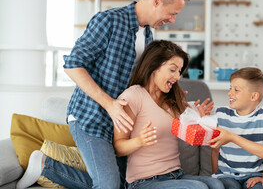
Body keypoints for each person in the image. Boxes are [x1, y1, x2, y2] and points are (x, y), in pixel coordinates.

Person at [16, 0, 189, 189]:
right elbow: (73, 65)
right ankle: (45, 166)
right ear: (157, 1)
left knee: (125, 183)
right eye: (172, 13)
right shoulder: (108, 20)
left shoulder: (147, 36)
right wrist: (110, 105)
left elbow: (144, 86)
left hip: (120, 125)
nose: (172, 20)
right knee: (108, 185)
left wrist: (176, 102)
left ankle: (46, 166)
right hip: (91, 117)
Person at [17, 40, 223, 189]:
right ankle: (47, 166)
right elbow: (118, 146)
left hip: (175, 175)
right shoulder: (133, 97)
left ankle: (47, 166)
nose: (177, 76)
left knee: (215, 184)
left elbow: (185, 130)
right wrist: (140, 141)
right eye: (173, 69)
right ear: (154, 67)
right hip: (145, 181)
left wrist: (198, 117)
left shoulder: (174, 100)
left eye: (180, 71)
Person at [211, 67, 263, 189]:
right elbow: (214, 149)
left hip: (255, 176)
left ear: (254, 96)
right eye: (230, 88)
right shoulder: (220, 114)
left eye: (236, 90)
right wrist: (216, 173)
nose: (230, 93)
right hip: (226, 175)